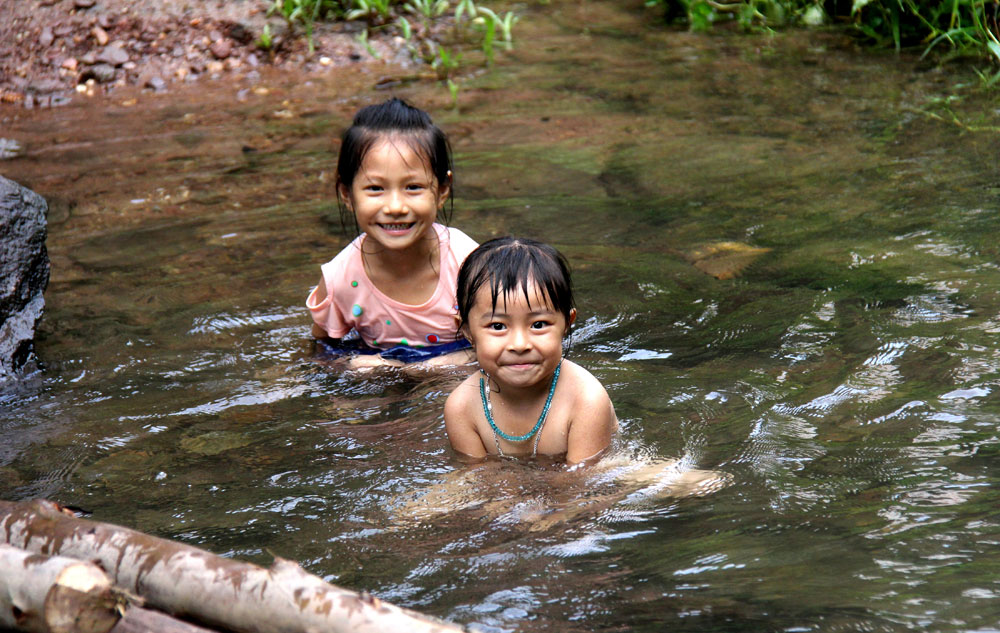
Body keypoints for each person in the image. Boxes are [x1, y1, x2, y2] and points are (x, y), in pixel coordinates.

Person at [306, 98, 478, 368]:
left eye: (413, 187)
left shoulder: (469, 264)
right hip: (383, 381)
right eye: (375, 188)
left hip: (455, 377)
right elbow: (323, 354)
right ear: (347, 194)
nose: (395, 207)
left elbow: (506, 340)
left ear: (442, 190)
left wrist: (435, 368)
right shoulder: (341, 278)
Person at [444, 237, 618, 464]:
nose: (519, 344)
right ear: (466, 330)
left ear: (567, 323)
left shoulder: (586, 400)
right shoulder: (462, 408)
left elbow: (581, 491)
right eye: (498, 326)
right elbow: (476, 482)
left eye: (538, 325)